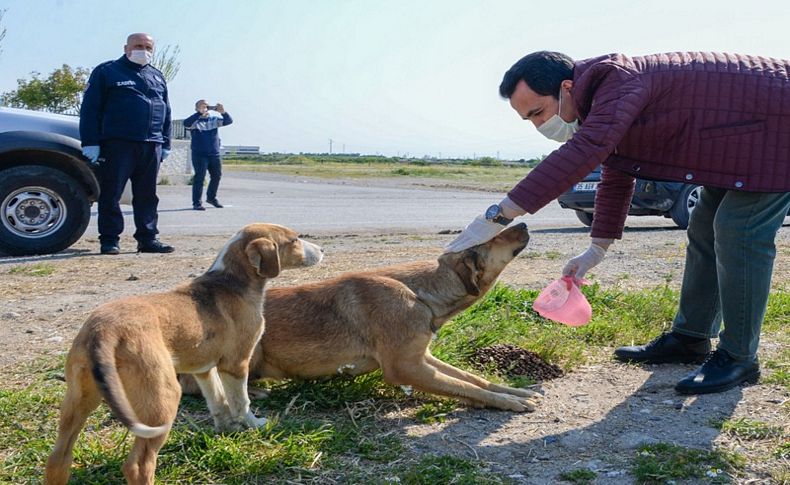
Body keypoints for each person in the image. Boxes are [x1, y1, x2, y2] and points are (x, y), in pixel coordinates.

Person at [447, 51, 790, 395]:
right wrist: (596, 249)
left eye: (539, 112)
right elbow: (617, 172)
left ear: (567, 89)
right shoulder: (601, 101)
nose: (539, 126)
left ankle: (739, 357)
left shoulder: (616, 80)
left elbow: (587, 150)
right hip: (737, 141)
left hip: (777, 130)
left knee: (738, 230)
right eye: (528, 119)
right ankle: (691, 337)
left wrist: (499, 215)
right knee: (703, 225)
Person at [80, 32, 174, 255]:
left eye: (148, 47)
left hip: (151, 144)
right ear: (126, 48)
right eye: (139, 45)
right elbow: (91, 109)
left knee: (147, 195)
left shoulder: (157, 75)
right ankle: (110, 240)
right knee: (112, 193)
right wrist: (91, 141)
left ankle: (148, 238)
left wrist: (166, 142)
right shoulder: (107, 71)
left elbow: (166, 110)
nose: (144, 50)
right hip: (118, 144)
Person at [183, 100, 233, 210]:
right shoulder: (194, 121)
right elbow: (186, 123)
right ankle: (197, 203)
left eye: (206, 105)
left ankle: (211, 198)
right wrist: (199, 113)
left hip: (214, 154)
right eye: (201, 106)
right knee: (199, 178)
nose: (205, 107)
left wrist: (223, 112)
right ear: (196, 108)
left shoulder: (214, 120)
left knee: (216, 176)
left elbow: (229, 121)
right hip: (199, 154)